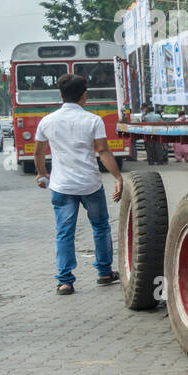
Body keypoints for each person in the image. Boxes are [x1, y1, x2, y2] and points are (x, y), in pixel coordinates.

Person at [34, 74, 123, 296]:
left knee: (64, 232)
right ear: (84, 95)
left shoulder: (47, 121)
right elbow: (103, 151)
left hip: (61, 186)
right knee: (100, 226)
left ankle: (65, 282)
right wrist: (118, 178)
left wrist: (42, 173)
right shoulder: (93, 120)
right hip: (90, 185)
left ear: (61, 95)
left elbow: (39, 152)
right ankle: (104, 272)